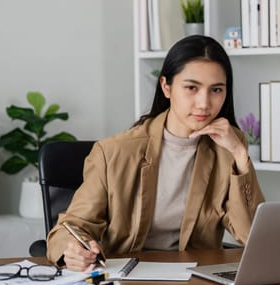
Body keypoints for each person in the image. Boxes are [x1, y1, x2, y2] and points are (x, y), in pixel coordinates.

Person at [47, 35, 265, 271]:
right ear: (166, 87)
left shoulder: (228, 148)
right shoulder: (113, 153)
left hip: (198, 279)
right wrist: (72, 250)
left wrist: (240, 156)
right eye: (191, 88)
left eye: (216, 90)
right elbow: (71, 227)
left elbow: (253, 236)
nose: (204, 103)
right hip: (129, 280)